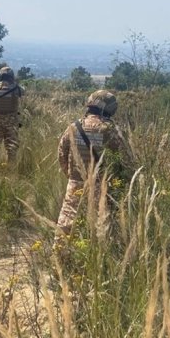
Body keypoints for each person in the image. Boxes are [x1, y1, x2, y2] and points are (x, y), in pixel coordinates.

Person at [54, 90, 134, 247]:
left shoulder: (74, 127)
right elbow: (126, 162)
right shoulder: (111, 130)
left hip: (75, 184)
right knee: (101, 228)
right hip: (102, 186)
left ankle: (60, 261)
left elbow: (61, 155)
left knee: (66, 226)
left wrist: (72, 178)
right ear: (111, 108)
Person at [0, 66, 24, 161]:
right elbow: (23, 92)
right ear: (11, 77)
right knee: (12, 150)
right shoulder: (16, 89)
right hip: (12, 122)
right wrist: (14, 84)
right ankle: (11, 170)